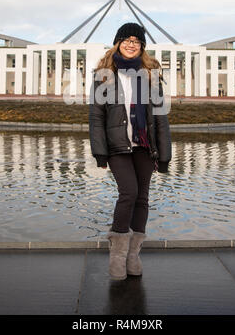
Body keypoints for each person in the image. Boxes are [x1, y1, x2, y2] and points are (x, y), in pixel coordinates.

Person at [89, 22, 172, 280]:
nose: (131, 43)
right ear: (118, 42)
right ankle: (117, 256)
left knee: (142, 198)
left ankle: (133, 255)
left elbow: (160, 117)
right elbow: (96, 117)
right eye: (127, 39)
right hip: (117, 147)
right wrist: (99, 152)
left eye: (137, 40)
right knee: (129, 193)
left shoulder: (151, 74)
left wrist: (165, 155)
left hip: (145, 147)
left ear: (142, 46)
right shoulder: (103, 74)